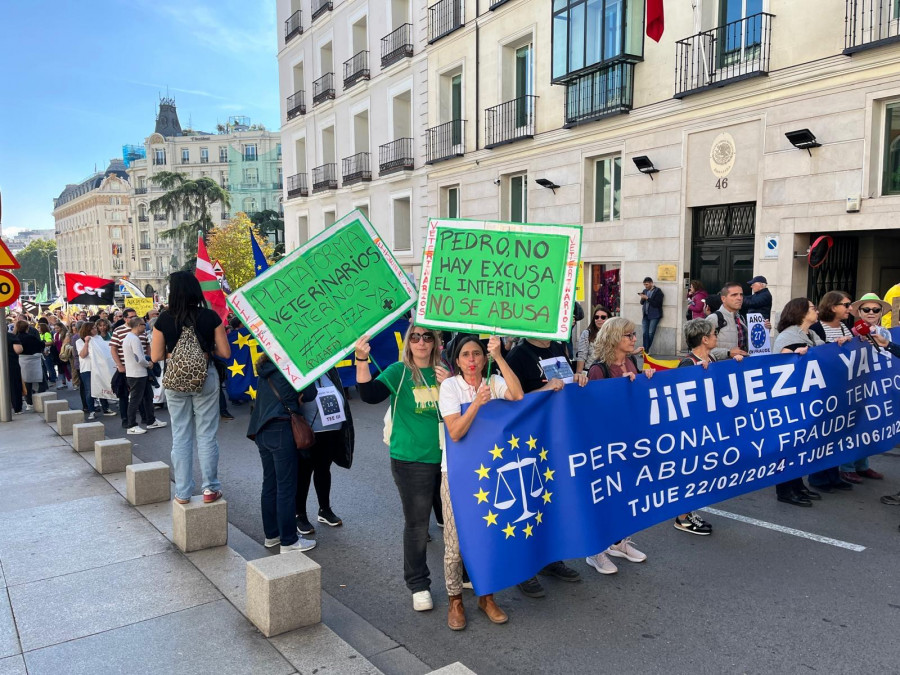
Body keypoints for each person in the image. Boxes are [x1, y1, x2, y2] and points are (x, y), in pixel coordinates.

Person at [354, 325, 450, 612]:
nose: (422, 342)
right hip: (411, 460)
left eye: (428, 337)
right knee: (418, 524)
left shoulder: (445, 370)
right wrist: (361, 359)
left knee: (456, 521)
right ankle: (418, 584)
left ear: (436, 342)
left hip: (448, 459)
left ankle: (464, 573)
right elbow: (369, 394)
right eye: (416, 337)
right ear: (409, 342)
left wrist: (453, 383)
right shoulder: (399, 371)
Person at [439, 335, 523, 630]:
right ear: (457, 361)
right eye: (465, 355)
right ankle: (455, 601)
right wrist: (476, 403)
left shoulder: (493, 379)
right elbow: (456, 432)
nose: (472, 360)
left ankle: (486, 596)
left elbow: (517, 395)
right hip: (456, 474)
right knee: (454, 542)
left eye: (477, 354)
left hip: (489, 472)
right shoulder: (449, 387)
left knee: (487, 536)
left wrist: (499, 357)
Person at [504, 335, 586, 596]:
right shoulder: (518, 356)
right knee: (528, 506)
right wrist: (543, 390)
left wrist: (580, 379)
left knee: (551, 502)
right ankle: (523, 570)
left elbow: (566, 384)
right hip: (529, 439)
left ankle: (550, 560)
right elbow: (511, 400)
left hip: (557, 436)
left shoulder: (557, 347)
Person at [151, 271, 231, 504]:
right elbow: (225, 353)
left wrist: (175, 352)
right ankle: (210, 489)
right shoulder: (210, 317)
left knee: (181, 436)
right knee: (206, 435)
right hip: (205, 378)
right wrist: (205, 350)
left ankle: (183, 493)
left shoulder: (164, 319)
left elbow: (155, 356)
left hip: (175, 380)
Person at [584, 317, 652, 573]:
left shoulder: (632, 362)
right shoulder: (598, 370)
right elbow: (592, 410)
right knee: (604, 497)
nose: (634, 339)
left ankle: (618, 542)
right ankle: (596, 551)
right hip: (606, 445)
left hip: (630, 440)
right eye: (628, 335)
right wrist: (617, 388)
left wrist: (645, 379)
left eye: (634, 334)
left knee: (625, 495)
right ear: (614, 338)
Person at [248, 353, 317, 553]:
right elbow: (311, 393)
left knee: (269, 485)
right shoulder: (292, 368)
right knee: (286, 487)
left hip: (262, 430)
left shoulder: (265, 368)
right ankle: (289, 540)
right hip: (281, 428)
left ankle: (272, 535)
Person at [673, 319, 728, 535]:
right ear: (704, 339)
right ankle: (682, 517)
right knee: (689, 472)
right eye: (714, 334)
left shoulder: (711, 358)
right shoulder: (688, 363)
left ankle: (688, 511)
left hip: (707, 426)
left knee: (699, 473)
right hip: (691, 429)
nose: (717, 337)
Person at [771, 298, 825, 507]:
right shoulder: (788, 336)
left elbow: (824, 353)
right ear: (801, 312)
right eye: (812, 308)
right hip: (789, 402)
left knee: (801, 444)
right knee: (788, 445)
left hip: (804, 399)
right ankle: (784, 489)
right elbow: (785, 363)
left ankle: (797, 484)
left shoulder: (810, 334)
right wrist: (797, 355)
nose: (817, 310)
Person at [840, 293, 893, 482]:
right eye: (866, 309)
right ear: (859, 312)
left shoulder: (886, 332)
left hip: (878, 385)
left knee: (868, 426)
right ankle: (847, 466)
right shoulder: (852, 333)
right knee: (854, 425)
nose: (871, 313)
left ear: (880, 313)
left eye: (875, 310)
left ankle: (863, 465)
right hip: (856, 386)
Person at [295, 366, 354, 535]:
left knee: (323, 470)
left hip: (331, 428)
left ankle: (325, 510)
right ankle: (299, 514)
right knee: (304, 473)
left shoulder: (329, 370)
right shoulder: (299, 371)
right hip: (308, 431)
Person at [807, 291, 856, 492]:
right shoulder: (817, 328)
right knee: (822, 434)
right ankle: (818, 477)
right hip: (824, 391)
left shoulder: (847, 327)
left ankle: (833, 475)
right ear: (833, 307)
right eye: (846, 305)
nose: (850, 309)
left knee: (837, 433)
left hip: (843, 387)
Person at [123, 317, 165, 434]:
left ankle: (151, 420)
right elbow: (139, 358)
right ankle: (131, 425)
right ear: (137, 325)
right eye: (143, 324)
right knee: (135, 400)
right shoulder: (134, 339)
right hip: (136, 374)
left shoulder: (131, 337)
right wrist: (149, 364)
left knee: (148, 396)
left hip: (139, 373)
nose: (145, 326)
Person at [111, 308, 147, 428]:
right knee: (124, 396)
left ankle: (146, 417)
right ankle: (126, 420)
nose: (134, 319)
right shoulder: (119, 331)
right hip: (125, 368)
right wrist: (119, 365)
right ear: (125, 318)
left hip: (140, 367)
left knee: (141, 394)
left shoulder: (142, 330)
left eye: (135, 316)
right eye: (131, 317)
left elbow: (146, 346)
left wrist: (150, 359)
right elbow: (113, 349)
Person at [707, 283, 749, 361]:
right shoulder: (713, 318)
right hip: (722, 368)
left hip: (742, 367)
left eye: (741, 295)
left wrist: (763, 329)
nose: (739, 298)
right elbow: (703, 349)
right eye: (734, 295)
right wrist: (728, 353)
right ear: (723, 299)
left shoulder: (741, 318)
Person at [14, 320, 44, 411]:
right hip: (34, 360)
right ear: (27, 328)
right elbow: (40, 345)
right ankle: (42, 400)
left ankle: (29, 402)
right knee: (41, 381)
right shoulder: (31, 337)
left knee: (26, 383)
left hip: (21, 361)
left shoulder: (15, 338)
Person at [574, 305, 610, 374]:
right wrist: (579, 373)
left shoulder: (613, 334)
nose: (599, 319)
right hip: (590, 371)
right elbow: (582, 355)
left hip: (608, 372)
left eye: (603, 317)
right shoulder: (587, 333)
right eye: (596, 317)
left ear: (608, 319)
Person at [639, 277, 664, 353]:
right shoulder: (645, 291)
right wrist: (643, 298)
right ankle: (645, 350)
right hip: (646, 315)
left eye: (646, 284)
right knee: (644, 333)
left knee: (650, 333)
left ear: (651, 283)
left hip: (655, 315)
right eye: (644, 285)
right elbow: (641, 303)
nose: (645, 286)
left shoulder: (658, 291)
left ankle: (645, 350)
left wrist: (647, 298)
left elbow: (657, 304)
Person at [6, 326, 23, 414]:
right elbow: (18, 350)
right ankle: (17, 408)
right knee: (14, 385)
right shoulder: (11, 337)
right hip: (11, 363)